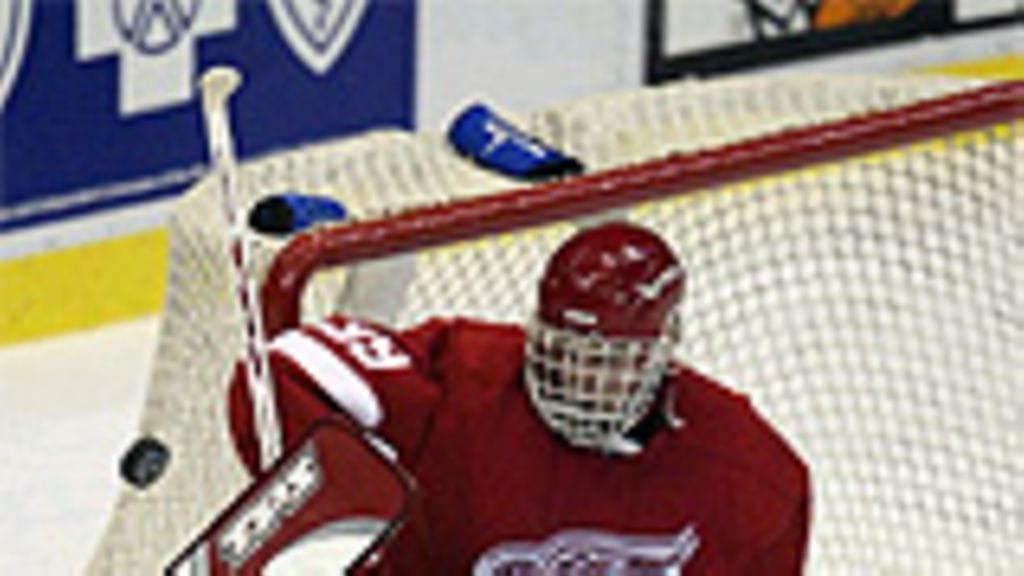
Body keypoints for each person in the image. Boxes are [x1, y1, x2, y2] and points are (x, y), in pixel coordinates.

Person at [228, 221, 811, 575]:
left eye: (603, 362)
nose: (579, 378)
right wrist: (338, 512)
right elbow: (285, 367)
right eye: (563, 351)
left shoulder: (748, 473)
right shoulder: (462, 381)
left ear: (658, 352)